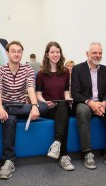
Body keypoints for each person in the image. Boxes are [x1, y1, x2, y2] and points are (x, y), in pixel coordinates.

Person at [0, 41, 48, 179]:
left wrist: (34, 106)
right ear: (7, 53)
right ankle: (8, 161)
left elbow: (30, 88)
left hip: (22, 106)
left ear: (22, 53)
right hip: (6, 106)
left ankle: (8, 109)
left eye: (19, 51)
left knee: (44, 106)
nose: (16, 54)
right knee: (9, 119)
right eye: (13, 51)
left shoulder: (27, 69)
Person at [71, 42, 106, 171]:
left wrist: (104, 104)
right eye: (94, 52)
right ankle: (87, 153)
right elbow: (75, 93)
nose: (97, 55)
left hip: (102, 103)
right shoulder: (77, 69)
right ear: (87, 54)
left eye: (100, 53)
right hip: (85, 103)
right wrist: (91, 103)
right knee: (82, 110)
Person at [36, 42, 74, 171]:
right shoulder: (41, 74)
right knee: (64, 115)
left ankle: (57, 143)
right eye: (52, 52)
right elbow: (38, 95)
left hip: (61, 106)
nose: (55, 54)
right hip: (47, 108)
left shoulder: (64, 72)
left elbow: (66, 92)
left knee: (63, 106)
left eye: (57, 52)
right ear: (47, 54)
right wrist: (45, 102)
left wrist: (69, 99)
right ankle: (63, 155)